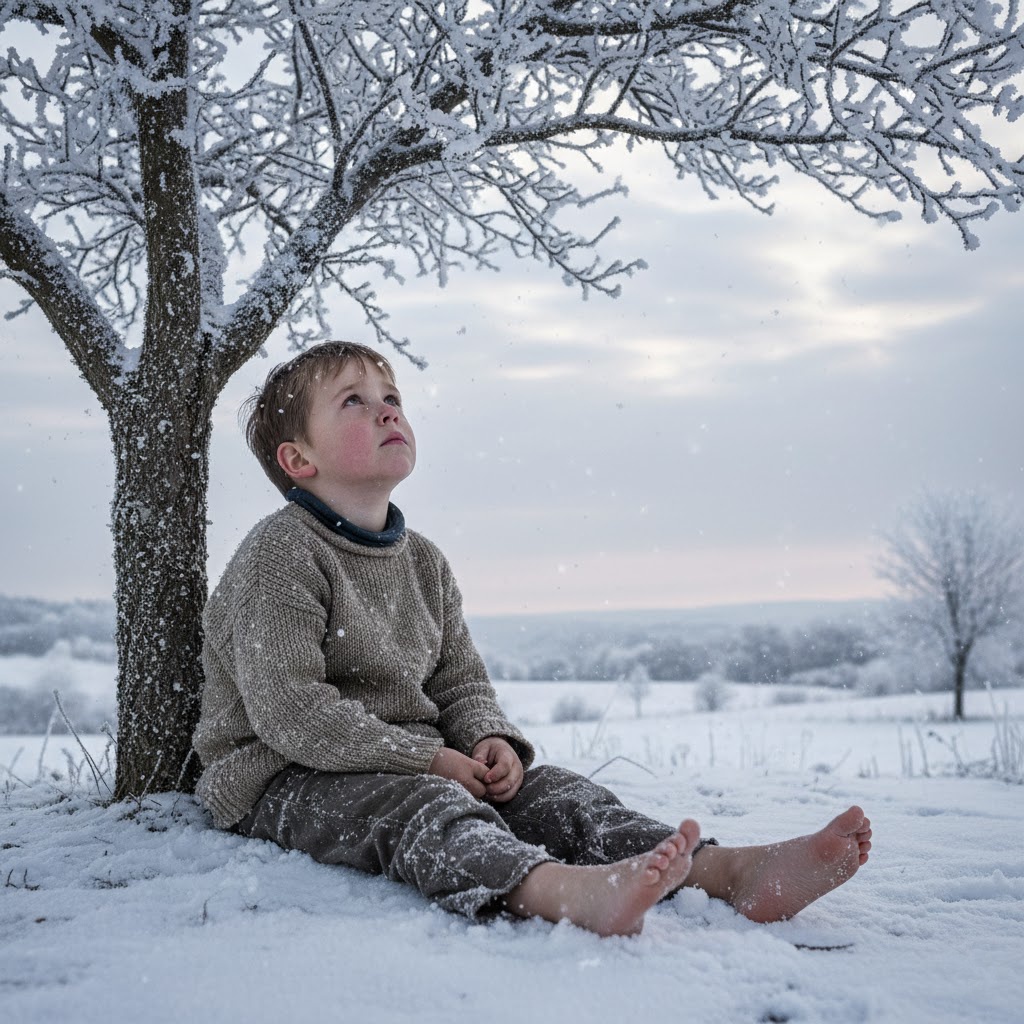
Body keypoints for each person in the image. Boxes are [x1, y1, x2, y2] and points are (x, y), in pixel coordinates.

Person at [192, 341, 872, 937]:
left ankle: (725, 871)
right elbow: (291, 712)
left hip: (409, 759)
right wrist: (427, 761)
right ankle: (561, 893)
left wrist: (488, 741)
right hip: (283, 776)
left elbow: (458, 680)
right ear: (298, 458)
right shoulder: (280, 554)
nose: (387, 410)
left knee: (552, 792)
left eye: (391, 395)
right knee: (423, 809)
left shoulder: (422, 561)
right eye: (353, 401)